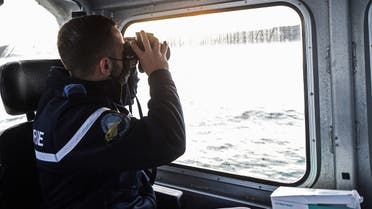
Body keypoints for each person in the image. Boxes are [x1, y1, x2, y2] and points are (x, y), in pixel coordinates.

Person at [32, 15, 186, 209]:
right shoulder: (77, 123)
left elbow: (120, 100)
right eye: (123, 51)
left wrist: (126, 62)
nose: (126, 52)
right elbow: (170, 140)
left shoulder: (66, 96)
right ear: (105, 65)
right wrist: (159, 73)